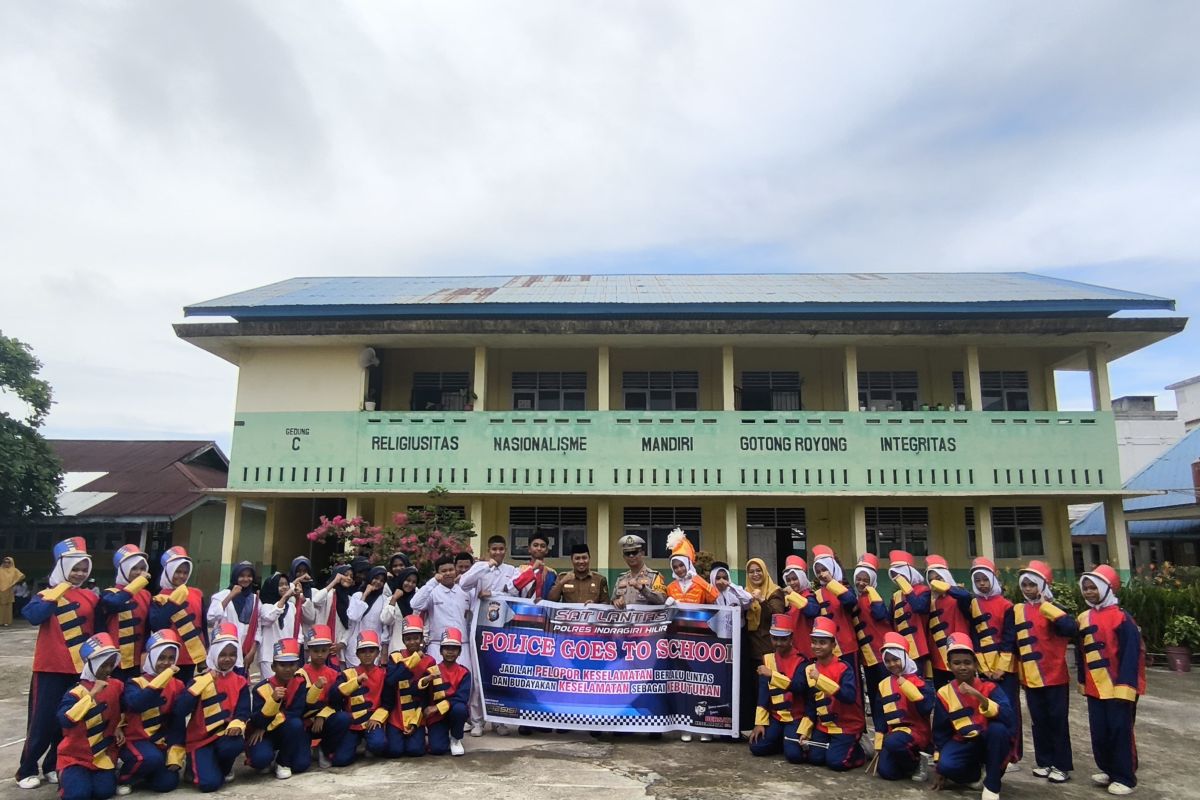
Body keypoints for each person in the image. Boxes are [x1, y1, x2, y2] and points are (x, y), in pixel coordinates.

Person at [18, 537, 99, 790]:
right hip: (50, 668)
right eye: (75, 568)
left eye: (84, 569)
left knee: (66, 720)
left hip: (78, 668)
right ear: (62, 568)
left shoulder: (90, 597)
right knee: (41, 722)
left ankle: (53, 763)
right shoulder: (45, 594)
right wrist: (58, 591)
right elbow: (33, 616)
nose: (79, 574)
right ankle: (27, 768)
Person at [1077, 564, 1145, 796]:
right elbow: (1080, 653)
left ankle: (1125, 776)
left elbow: (1130, 656)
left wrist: (1126, 687)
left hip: (1118, 688)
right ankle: (1108, 769)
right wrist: (1082, 681)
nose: (1089, 592)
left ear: (1107, 589)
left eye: (1093, 588)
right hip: (1095, 687)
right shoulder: (1084, 617)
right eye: (1085, 588)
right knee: (1100, 731)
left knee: (1120, 730)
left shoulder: (1123, 619)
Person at [931, 633, 1014, 800]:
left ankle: (992, 785)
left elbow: (1008, 717)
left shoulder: (990, 687)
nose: (962, 667)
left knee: (998, 730)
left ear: (975, 664)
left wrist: (980, 697)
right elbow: (941, 731)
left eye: (967, 663)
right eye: (957, 663)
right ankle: (976, 775)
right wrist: (939, 767)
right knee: (947, 766)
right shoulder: (943, 693)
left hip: (991, 741)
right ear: (949, 665)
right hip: (963, 742)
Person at [1014, 560, 1076, 784]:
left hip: (1054, 675)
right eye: (1025, 585)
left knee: (1057, 721)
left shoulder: (1053, 608)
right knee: (1038, 720)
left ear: (1041, 585)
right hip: (1030, 677)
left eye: (1032, 584)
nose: (1028, 589)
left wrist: (1051, 610)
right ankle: (1044, 761)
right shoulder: (1018, 610)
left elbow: (1070, 629)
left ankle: (1061, 765)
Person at [175, 623, 249, 793]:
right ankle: (196, 765)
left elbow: (244, 710)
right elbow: (180, 710)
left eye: (232, 654)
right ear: (214, 654)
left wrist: (238, 722)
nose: (227, 659)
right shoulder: (199, 679)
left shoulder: (240, 681)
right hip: (200, 740)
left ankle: (221, 766)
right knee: (209, 785)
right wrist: (197, 687)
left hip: (224, 736)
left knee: (235, 744)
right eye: (223, 654)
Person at [411, 555, 481, 735]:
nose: (448, 573)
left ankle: (471, 720)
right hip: (437, 645)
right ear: (437, 573)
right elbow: (415, 603)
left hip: (462, 644)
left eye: (451, 569)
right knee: (435, 683)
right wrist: (433, 582)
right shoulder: (432, 591)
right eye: (443, 571)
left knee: (469, 683)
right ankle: (433, 720)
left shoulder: (465, 591)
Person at [963, 557, 1020, 767]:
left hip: (1004, 669)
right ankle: (991, 753)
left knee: (1008, 711)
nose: (981, 584)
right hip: (983, 668)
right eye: (977, 580)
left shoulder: (1007, 605)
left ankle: (1012, 754)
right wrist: (981, 667)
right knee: (985, 711)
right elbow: (974, 635)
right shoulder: (974, 604)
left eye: (985, 580)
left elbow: (1009, 638)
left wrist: (1001, 668)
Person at [55, 633, 123, 800]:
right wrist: (91, 695)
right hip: (75, 757)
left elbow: (126, 708)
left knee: (104, 792)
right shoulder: (75, 693)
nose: (107, 669)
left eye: (110, 665)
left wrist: (120, 726)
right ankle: (64, 776)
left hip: (102, 756)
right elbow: (65, 720)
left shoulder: (116, 685)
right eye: (102, 665)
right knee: (78, 795)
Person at [118, 630, 186, 795]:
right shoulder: (135, 682)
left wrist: (176, 752)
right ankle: (124, 777)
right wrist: (166, 676)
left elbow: (177, 723)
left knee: (168, 783)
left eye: (171, 658)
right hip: (134, 739)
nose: (166, 663)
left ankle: (145, 774)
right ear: (152, 657)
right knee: (150, 759)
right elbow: (137, 703)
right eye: (161, 657)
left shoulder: (177, 685)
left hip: (159, 742)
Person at [796, 616, 865, 771]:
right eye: (814, 642)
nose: (817, 646)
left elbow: (849, 696)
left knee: (836, 763)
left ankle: (858, 751)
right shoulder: (810, 669)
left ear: (833, 644)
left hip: (846, 726)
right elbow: (811, 705)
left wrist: (821, 680)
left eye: (823, 642)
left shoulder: (844, 668)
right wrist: (805, 731)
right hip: (824, 726)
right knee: (815, 759)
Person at [246, 638, 310, 779]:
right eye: (282, 665)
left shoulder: (300, 683)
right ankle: (270, 756)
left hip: (288, 730)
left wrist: (266, 726)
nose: (288, 669)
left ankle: (283, 762)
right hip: (266, 735)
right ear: (273, 667)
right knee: (260, 761)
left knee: (301, 764)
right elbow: (256, 720)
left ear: (297, 666)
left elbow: (296, 713)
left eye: (292, 664)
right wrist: (273, 701)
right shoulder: (261, 688)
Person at [875, 631, 934, 781]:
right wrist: (879, 739)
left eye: (895, 659)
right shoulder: (883, 684)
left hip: (916, 731)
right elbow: (880, 714)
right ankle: (906, 764)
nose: (892, 664)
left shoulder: (920, 682)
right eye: (887, 661)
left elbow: (926, 708)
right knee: (886, 772)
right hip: (893, 735)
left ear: (904, 658)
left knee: (893, 742)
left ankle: (918, 760)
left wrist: (907, 686)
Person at [748, 613, 806, 764]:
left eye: (783, 639)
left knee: (794, 756)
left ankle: (787, 742)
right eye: (775, 638)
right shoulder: (767, 659)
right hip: (776, 717)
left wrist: (772, 675)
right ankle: (782, 740)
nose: (779, 643)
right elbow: (763, 694)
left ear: (791, 638)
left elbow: (799, 687)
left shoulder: (802, 661)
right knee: (756, 746)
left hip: (795, 718)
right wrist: (759, 723)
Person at [325, 630, 389, 766]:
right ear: (357, 654)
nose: (367, 654)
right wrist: (355, 682)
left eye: (371, 651)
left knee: (379, 745)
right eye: (363, 651)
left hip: (372, 720)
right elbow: (334, 696)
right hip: (352, 723)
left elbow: (388, 702)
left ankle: (370, 744)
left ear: (377, 653)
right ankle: (350, 746)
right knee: (340, 761)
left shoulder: (384, 674)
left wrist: (378, 717)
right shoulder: (347, 674)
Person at [149, 546, 207, 683]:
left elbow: (202, 626)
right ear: (168, 571)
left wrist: (204, 655)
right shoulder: (158, 598)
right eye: (177, 571)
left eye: (185, 572)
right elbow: (157, 626)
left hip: (192, 656)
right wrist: (173, 602)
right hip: (169, 657)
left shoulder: (197, 593)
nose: (181, 576)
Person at [382, 614, 436, 757]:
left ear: (421, 639)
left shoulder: (430, 661)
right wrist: (414, 659)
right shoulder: (395, 657)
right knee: (395, 752)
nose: (412, 642)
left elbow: (427, 696)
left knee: (415, 751)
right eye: (408, 638)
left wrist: (415, 721)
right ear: (403, 640)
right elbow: (391, 680)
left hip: (416, 712)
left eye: (416, 638)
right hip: (396, 712)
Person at [97, 545, 152, 683]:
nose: (139, 572)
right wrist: (138, 583)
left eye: (142, 568)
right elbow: (114, 604)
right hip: (113, 661)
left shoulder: (146, 595)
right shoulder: (109, 593)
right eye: (134, 568)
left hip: (137, 660)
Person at [852, 552, 891, 745]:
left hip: (881, 656)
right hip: (868, 658)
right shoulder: (856, 599)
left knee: (884, 697)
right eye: (858, 579)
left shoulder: (875, 598)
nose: (861, 583)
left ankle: (887, 732)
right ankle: (879, 736)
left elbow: (880, 614)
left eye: (865, 580)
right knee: (874, 695)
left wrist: (872, 592)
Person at [743, 557, 786, 732]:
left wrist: (761, 600)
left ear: (765, 571)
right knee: (754, 689)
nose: (755, 574)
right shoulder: (744, 593)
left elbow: (778, 615)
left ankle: (772, 726)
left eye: (758, 570)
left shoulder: (774, 592)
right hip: (751, 649)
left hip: (769, 649)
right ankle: (757, 725)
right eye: (751, 571)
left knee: (769, 690)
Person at [925, 554, 973, 688]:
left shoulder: (958, 596)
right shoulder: (929, 601)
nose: (934, 582)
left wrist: (947, 587)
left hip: (958, 653)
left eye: (938, 578)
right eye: (931, 580)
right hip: (937, 655)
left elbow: (966, 597)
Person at [810, 545, 859, 673]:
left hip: (847, 647)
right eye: (818, 571)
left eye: (824, 569)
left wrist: (831, 582)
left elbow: (850, 601)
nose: (821, 574)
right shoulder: (817, 593)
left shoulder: (844, 587)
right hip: (827, 650)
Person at [423, 626, 471, 756]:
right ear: (440, 651)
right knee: (438, 749)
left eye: (454, 648)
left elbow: (461, 698)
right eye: (446, 648)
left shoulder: (464, 672)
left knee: (460, 709)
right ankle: (439, 735)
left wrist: (437, 707)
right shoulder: (432, 670)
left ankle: (456, 738)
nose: (450, 652)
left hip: (454, 712)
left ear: (460, 651)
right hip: (436, 716)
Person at [258, 571, 316, 679]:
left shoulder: (291, 606)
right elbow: (269, 618)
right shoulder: (265, 606)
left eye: (286, 584)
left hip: (288, 655)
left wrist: (296, 646)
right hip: (269, 655)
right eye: (280, 585)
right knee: (270, 688)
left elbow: (297, 629)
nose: (284, 587)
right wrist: (284, 598)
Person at [206, 561, 260, 675]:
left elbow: (258, 627)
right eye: (241, 575)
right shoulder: (223, 594)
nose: (246, 579)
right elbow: (211, 616)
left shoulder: (255, 598)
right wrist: (231, 596)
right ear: (235, 576)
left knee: (238, 686)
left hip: (243, 652)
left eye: (249, 576)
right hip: (223, 651)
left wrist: (252, 652)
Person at [298, 624, 340, 769]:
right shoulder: (300, 673)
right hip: (305, 722)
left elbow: (336, 702)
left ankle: (324, 748)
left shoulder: (334, 674)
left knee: (343, 719)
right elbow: (300, 704)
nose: (320, 654)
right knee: (301, 765)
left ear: (329, 650)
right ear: (309, 650)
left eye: (324, 650)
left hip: (325, 720)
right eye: (316, 651)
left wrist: (322, 715)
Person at [887, 550, 931, 676]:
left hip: (918, 648)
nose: (898, 578)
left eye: (901, 574)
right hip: (900, 650)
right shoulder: (895, 596)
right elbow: (890, 621)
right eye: (895, 575)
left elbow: (919, 607)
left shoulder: (923, 591)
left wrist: (907, 589)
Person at [345, 566, 390, 665]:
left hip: (374, 647)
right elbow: (354, 616)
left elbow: (385, 625)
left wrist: (383, 648)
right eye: (376, 578)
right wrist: (365, 594)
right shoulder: (357, 596)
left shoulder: (384, 599)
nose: (378, 582)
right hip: (356, 646)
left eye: (382, 581)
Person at [311, 564, 355, 665]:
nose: (348, 578)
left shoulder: (350, 600)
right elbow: (316, 600)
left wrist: (342, 643)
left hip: (337, 648)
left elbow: (350, 625)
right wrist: (334, 581)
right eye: (345, 575)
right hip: (320, 645)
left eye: (351, 576)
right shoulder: (328, 594)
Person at [665, 528, 719, 606]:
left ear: (688, 564)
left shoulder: (699, 584)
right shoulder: (670, 587)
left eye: (682, 565)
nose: (679, 569)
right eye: (675, 567)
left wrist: (696, 578)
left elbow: (714, 596)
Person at [612, 534, 667, 609]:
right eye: (627, 553)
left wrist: (642, 589)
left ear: (642, 553)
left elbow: (662, 600)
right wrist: (616, 602)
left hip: (646, 619)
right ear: (624, 557)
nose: (631, 556)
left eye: (634, 552)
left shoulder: (654, 576)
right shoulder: (621, 578)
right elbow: (612, 601)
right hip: (625, 619)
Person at [780, 555, 818, 659]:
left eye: (794, 579)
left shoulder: (809, 595)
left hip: (808, 650)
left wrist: (793, 595)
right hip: (794, 650)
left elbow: (812, 611)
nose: (792, 583)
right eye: (788, 580)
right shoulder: (788, 599)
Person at [381, 564, 419, 652]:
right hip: (396, 649)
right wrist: (394, 599)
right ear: (402, 579)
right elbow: (386, 620)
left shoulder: (417, 601)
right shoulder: (391, 599)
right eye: (408, 580)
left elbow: (424, 622)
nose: (410, 584)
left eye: (414, 582)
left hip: (415, 649)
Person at [511, 532, 557, 601]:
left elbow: (554, 598)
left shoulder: (551, 573)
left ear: (547, 550)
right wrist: (531, 570)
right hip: (523, 610)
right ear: (529, 549)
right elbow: (512, 590)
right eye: (535, 545)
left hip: (544, 610)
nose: (539, 548)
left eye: (543, 546)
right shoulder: (520, 570)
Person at [0, 555, 25, 625]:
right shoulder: (0, 570)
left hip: (9, 591)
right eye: (5, 562)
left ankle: (6, 622)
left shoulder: (14, 570)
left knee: (8, 607)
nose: (6, 564)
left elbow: (22, 576)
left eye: (8, 562)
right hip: (1, 591)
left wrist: (13, 582)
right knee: (1, 607)